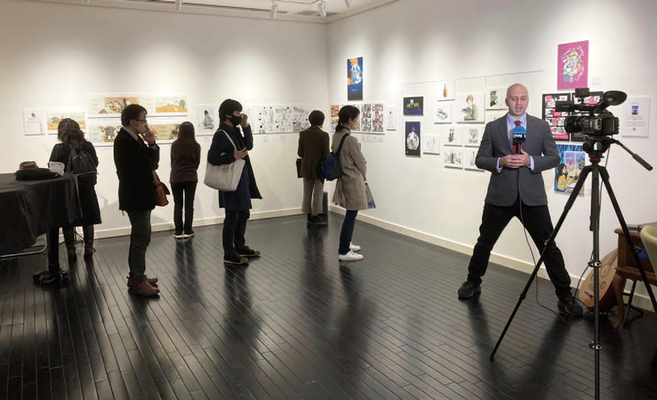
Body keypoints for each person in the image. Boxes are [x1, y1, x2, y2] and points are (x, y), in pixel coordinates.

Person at [457, 83, 583, 318]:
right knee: (485, 242)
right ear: (506, 101)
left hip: (532, 198)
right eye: (514, 98)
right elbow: (481, 160)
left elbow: (554, 158)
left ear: (528, 100)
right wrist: (500, 162)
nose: (518, 103)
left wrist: (531, 161)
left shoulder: (541, 126)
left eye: (523, 98)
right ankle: (472, 281)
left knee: (548, 247)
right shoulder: (493, 128)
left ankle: (565, 295)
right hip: (499, 197)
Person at [208, 99, 262, 265]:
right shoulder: (221, 134)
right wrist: (233, 156)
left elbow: (249, 145)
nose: (240, 115)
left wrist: (246, 127)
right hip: (231, 181)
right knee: (232, 216)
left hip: (241, 178)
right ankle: (229, 253)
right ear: (228, 114)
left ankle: (239, 246)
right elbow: (212, 157)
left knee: (243, 213)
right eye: (238, 113)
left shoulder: (235, 131)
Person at [114, 104, 160, 296]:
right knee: (140, 237)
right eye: (143, 119)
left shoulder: (134, 139)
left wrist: (151, 144)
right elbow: (148, 164)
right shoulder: (125, 140)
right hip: (136, 196)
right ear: (133, 122)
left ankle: (137, 275)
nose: (146, 124)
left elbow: (152, 163)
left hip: (139, 195)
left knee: (143, 236)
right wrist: (150, 146)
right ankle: (137, 279)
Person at [48, 118, 101, 261]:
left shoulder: (59, 148)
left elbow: (53, 169)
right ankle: (89, 248)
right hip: (86, 187)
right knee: (88, 218)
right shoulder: (88, 146)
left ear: (60, 132)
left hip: (67, 189)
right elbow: (95, 163)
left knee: (68, 220)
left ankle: (71, 250)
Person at [332, 105, 367, 262]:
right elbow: (361, 162)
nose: (356, 123)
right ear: (350, 120)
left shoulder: (337, 135)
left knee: (350, 214)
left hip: (343, 179)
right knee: (351, 215)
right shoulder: (351, 140)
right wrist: (364, 174)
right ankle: (344, 250)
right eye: (356, 119)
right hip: (352, 180)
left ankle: (347, 243)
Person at [298, 110, 330, 228]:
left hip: (306, 167)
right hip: (319, 169)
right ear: (321, 121)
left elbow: (300, 152)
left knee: (307, 192)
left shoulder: (303, 134)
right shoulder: (324, 135)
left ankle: (308, 216)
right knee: (318, 192)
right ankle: (316, 216)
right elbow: (326, 154)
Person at [170, 121, 201, 239]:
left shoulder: (175, 145)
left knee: (177, 204)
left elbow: (172, 162)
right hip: (191, 177)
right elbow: (196, 163)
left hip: (176, 177)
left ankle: (178, 231)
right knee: (189, 204)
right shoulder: (196, 146)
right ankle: (188, 229)